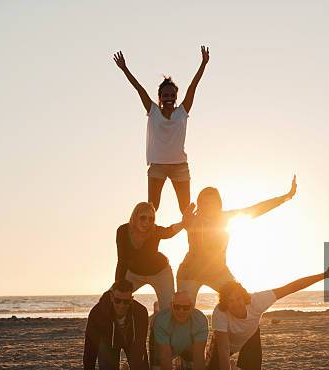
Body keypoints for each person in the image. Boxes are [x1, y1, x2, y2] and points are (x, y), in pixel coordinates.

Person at [205, 262, 329, 370]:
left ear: (243, 296)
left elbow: (290, 288)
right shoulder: (220, 311)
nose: (236, 304)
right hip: (226, 342)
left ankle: (235, 369)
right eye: (231, 301)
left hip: (250, 336)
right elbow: (223, 348)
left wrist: (324, 275)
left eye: (238, 298)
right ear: (225, 303)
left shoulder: (257, 301)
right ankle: (220, 367)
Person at [113, 46, 210, 213]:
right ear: (160, 97)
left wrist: (203, 63)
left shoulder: (182, 112)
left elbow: (193, 86)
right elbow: (139, 89)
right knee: (152, 208)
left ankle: (196, 238)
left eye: (172, 95)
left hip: (179, 165)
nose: (169, 98)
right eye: (166, 95)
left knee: (186, 210)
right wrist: (124, 69)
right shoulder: (153, 111)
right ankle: (148, 236)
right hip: (157, 165)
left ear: (176, 97)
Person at [177, 176, 298, 305]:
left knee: (244, 300)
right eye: (205, 203)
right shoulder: (193, 220)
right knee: (183, 308)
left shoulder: (225, 217)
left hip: (218, 272)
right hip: (191, 273)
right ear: (200, 204)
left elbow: (256, 209)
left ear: (218, 204)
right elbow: (179, 227)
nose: (209, 206)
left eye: (212, 202)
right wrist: (185, 220)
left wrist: (288, 196)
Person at [115, 202, 191, 310]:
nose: (147, 222)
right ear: (135, 216)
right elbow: (122, 261)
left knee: (169, 309)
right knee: (112, 298)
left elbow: (168, 231)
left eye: (151, 219)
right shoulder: (123, 231)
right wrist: (118, 285)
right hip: (134, 274)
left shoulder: (154, 230)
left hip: (160, 273)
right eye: (143, 218)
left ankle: (159, 308)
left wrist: (183, 223)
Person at [83, 280, 151, 370]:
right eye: (117, 300)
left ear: (131, 299)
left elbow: (140, 344)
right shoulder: (97, 312)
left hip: (132, 343)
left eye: (126, 301)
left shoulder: (141, 311)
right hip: (109, 344)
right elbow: (90, 347)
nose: (121, 305)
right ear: (111, 297)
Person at [153, 292, 208, 370]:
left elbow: (199, 355)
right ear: (171, 305)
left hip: (188, 349)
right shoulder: (161, 320)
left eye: (185, 307)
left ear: (192, 306)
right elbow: (165, 354)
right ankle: (176, 364)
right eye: (177, 307)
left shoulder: (200, 320)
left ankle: (180, 364)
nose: (181, 311)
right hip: (166, 347)